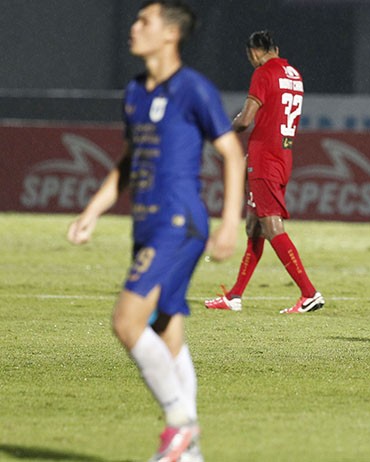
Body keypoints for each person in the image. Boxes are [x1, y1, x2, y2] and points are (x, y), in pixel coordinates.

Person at [66, 1, 245, 460]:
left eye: (144, 20)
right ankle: (189, 451)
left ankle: (180, 424)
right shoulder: (134, 91)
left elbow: (231, 154)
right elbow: (128, 163)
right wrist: (92, 211)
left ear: (170, 34)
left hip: (178, 222)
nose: (133, 27)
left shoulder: (192, 89)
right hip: (147, 225)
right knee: (167, 330)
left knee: (127, 322)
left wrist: (229, 224)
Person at [204, 30, 324, 314]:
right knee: (254, 226)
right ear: (275, 48)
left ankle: (309, 293)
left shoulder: (263, 72)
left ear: (254, 52)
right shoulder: (293, 74)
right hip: (283, 154)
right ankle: (234, 296)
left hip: (265, 158)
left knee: (270, 226)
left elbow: (245, 120)